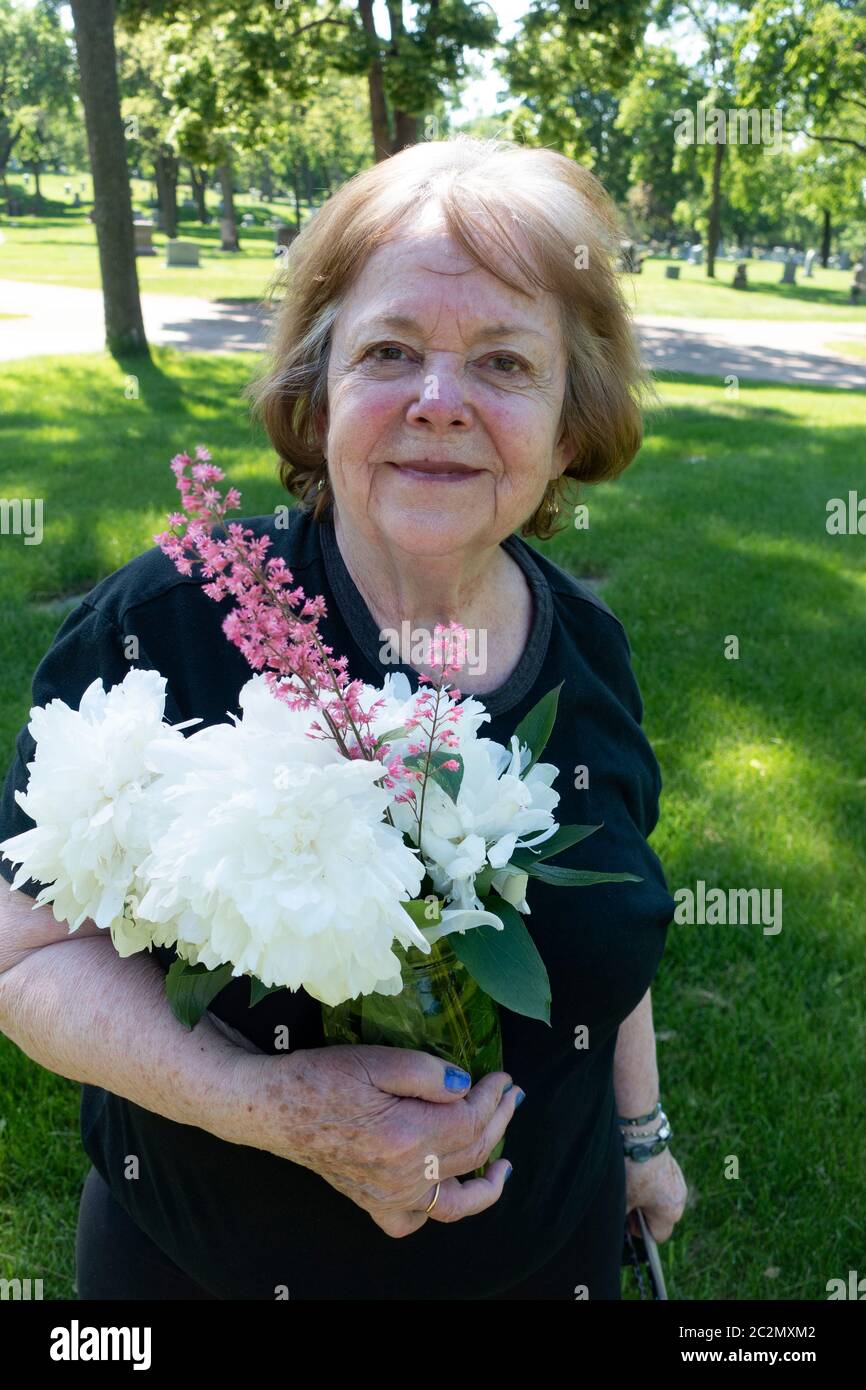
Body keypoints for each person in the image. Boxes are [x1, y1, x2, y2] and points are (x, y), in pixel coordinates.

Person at [0, 136, 687, 1300]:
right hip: (206, 1273)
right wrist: (265, 1105)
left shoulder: (587, 653)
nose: (438, 403)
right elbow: (25, 956)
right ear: (319, 399)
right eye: (390, 351)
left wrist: (640, 1135)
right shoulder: (168, 629)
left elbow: (608, 908)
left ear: (573, 422)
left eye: (504, 364)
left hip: (546, 1261)